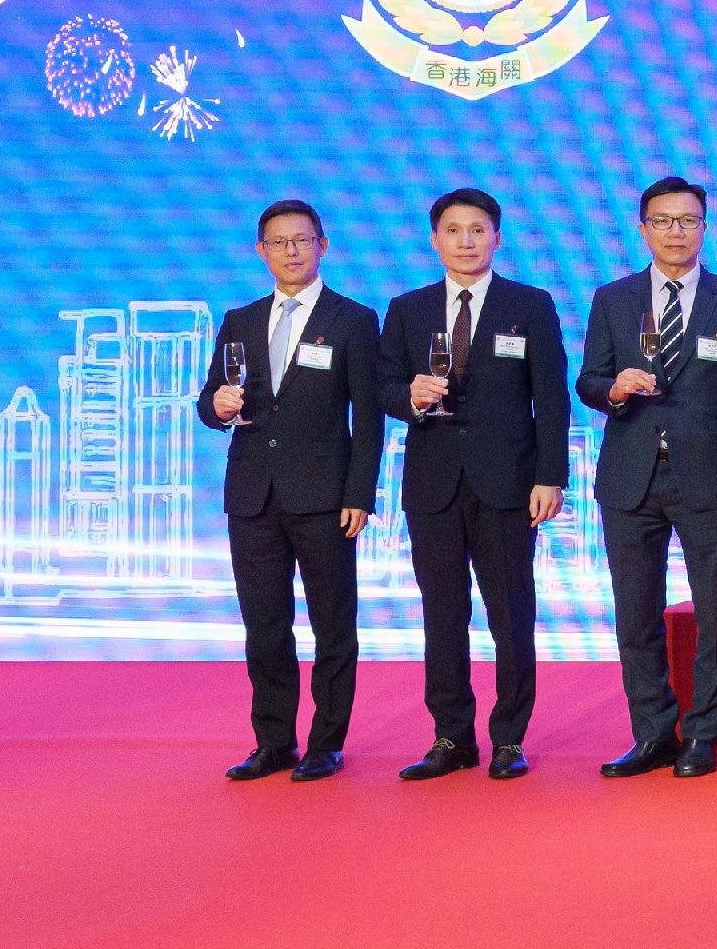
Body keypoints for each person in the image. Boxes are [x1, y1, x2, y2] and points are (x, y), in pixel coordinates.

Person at [574, 177, 717, 780]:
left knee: (715, 609)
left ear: (704, 228)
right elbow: (587, 380)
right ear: (643, 228)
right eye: (663, 221)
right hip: (631, 478)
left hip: (710, 480)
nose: (676, 232)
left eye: (687, 221)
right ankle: (652, 732)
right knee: (636, 613)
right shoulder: (613, 298)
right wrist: (612, 390)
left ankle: (704, 733)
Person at [377, 188, 566, 782]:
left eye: (477, 230)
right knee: (442, 613)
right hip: (433, 485)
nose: (466, 241)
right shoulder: (407, 309)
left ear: (496, 237)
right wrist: (408, 395)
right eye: (453, 231)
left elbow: (552, 399)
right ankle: (450, 736)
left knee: (511, 614)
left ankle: (509, 737)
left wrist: (550, 477)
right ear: (435, 240)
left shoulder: (529, 304)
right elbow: (381, 386)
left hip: (509, 484)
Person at [197, 199, 383, 783]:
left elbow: (369, 418)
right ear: (262, 252)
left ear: (322, 245)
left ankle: (326, 743)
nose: (291, 252)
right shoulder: (241, 320)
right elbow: (209, 401)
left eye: (302, 241)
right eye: (279, 243)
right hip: (253, 495)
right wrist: (218, 407)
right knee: (265, 626)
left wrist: (360, 493)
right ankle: (273, 741)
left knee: (333, 624)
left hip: (326, 497)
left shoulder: (353, 319)